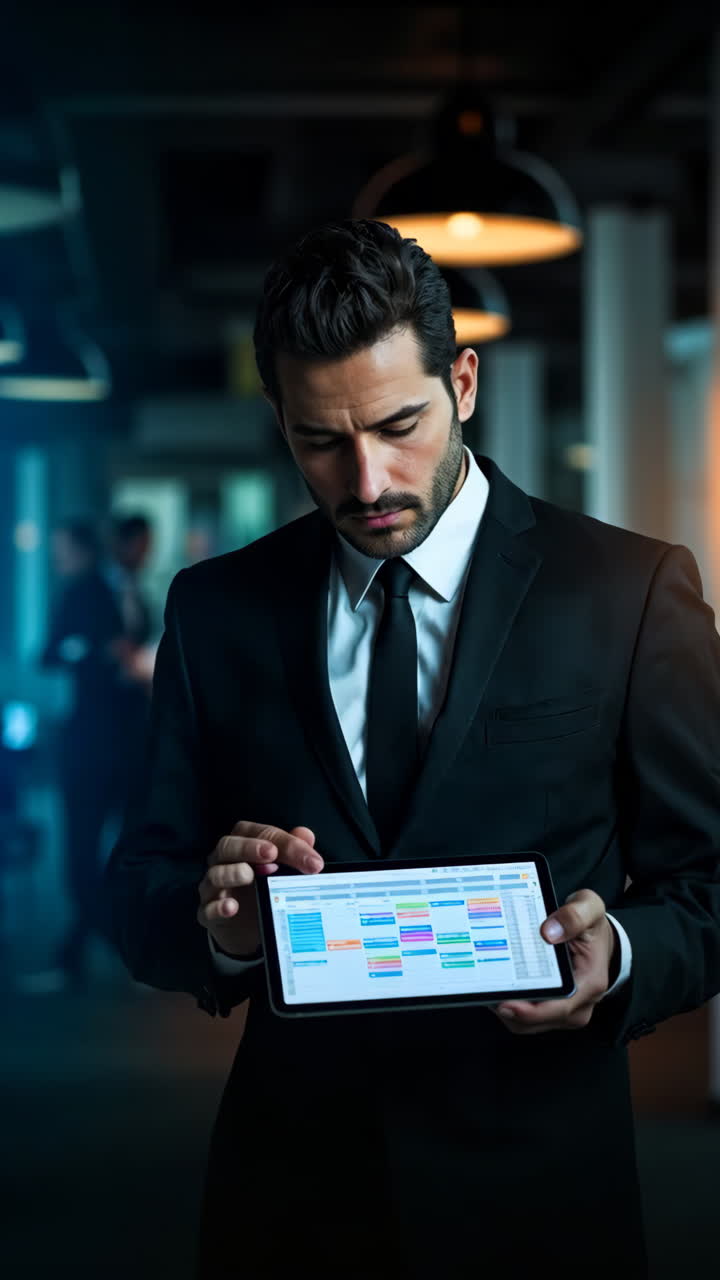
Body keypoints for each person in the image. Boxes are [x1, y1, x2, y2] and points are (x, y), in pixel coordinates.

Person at [104, 220, 720, 1278]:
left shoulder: (625, 590)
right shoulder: (217, 611)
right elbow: (138, 886)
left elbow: (710, 879)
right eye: (320, 441)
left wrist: (616, 950)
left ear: (464, 382)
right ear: (280, 422)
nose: (368, 477)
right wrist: (225, 929)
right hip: (289, 1201)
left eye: (400, 424)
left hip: (538, 1195)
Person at [32, 516, 153, 990]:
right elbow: (51, 653)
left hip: (128, 743)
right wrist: (100, 654)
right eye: (138, 545)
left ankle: (86, 951)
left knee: (128, 850)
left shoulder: (136, 596)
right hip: (87, 744)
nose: (141, 555)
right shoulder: (83, 591)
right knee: (81, 853)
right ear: (116, 544)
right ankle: (106, 945)